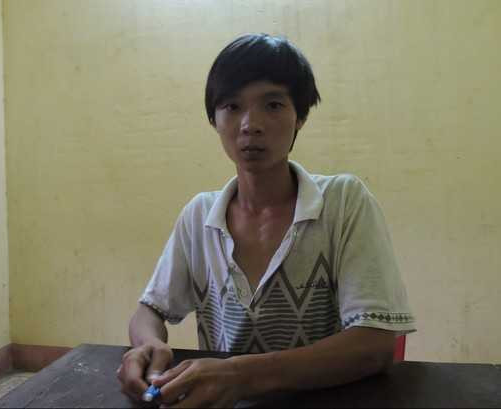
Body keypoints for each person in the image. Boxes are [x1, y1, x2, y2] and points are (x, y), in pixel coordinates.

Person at [117, 33, 416, 408]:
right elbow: (150, 310)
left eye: (273, 105)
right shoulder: (199, 216)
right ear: (214, 119)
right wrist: (148, 345)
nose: (250, 124)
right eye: (232, 106)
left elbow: (375, 344)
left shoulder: (343, 202)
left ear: (300, 116)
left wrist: (241, 376)